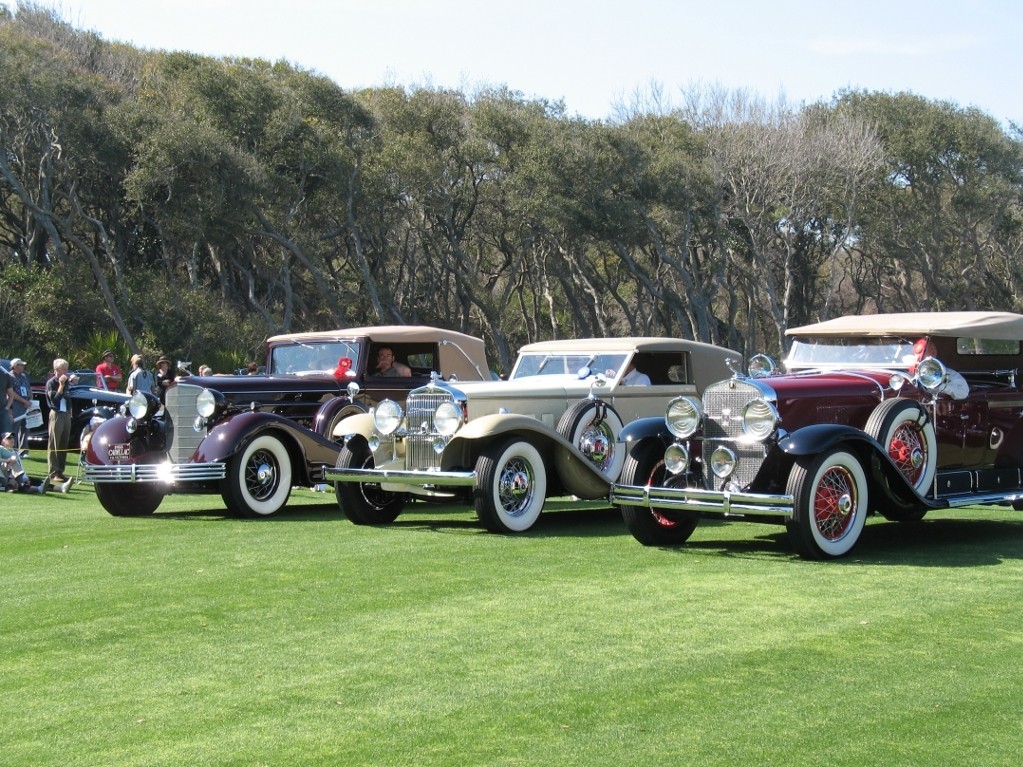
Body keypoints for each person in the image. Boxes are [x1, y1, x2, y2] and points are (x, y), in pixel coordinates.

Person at [45, 358, 73, 483]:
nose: (65, 372)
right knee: (54, 443)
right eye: (63, 369)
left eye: (66, 369)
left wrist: (70, 410)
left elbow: (68, 397)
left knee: (63, 443)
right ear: (56, 370)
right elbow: (54, 401)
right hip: (56, 414)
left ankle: (60, 471)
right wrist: (61, 386)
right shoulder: (51, 383)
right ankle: (53, 472)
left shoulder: (67, 382)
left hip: (65, 414)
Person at [7, 358, 32, 455]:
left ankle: (23, 451)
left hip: (26, 404)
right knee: (14, 428)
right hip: (16, 404)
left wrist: (30, 399)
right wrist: (23, 401)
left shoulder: (23, 376)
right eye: (21, 365)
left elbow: (29, 388)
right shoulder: (9, 376)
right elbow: (10, 392)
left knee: (26, 427)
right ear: (16, 366)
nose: (23, 367)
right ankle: (12, 450)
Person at [0, 361, 13, 444]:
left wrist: (7, 407)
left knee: (7, 436)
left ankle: (7, 455)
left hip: (2, 410)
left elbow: (11, 395)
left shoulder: (5, 375)